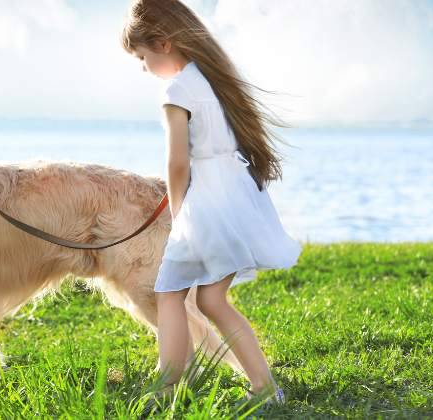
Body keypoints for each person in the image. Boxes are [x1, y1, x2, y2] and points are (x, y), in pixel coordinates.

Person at [121, 0, 303, 404]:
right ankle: (266, 388)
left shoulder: (176, 90)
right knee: (209, 298)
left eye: (142, 57)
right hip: (236, 196)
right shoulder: (211, 79)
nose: (143, 67)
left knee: (169, 292)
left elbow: (178, 162)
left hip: (207, 205)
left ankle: (166, 387)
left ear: (164, 43)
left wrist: (177, 212)